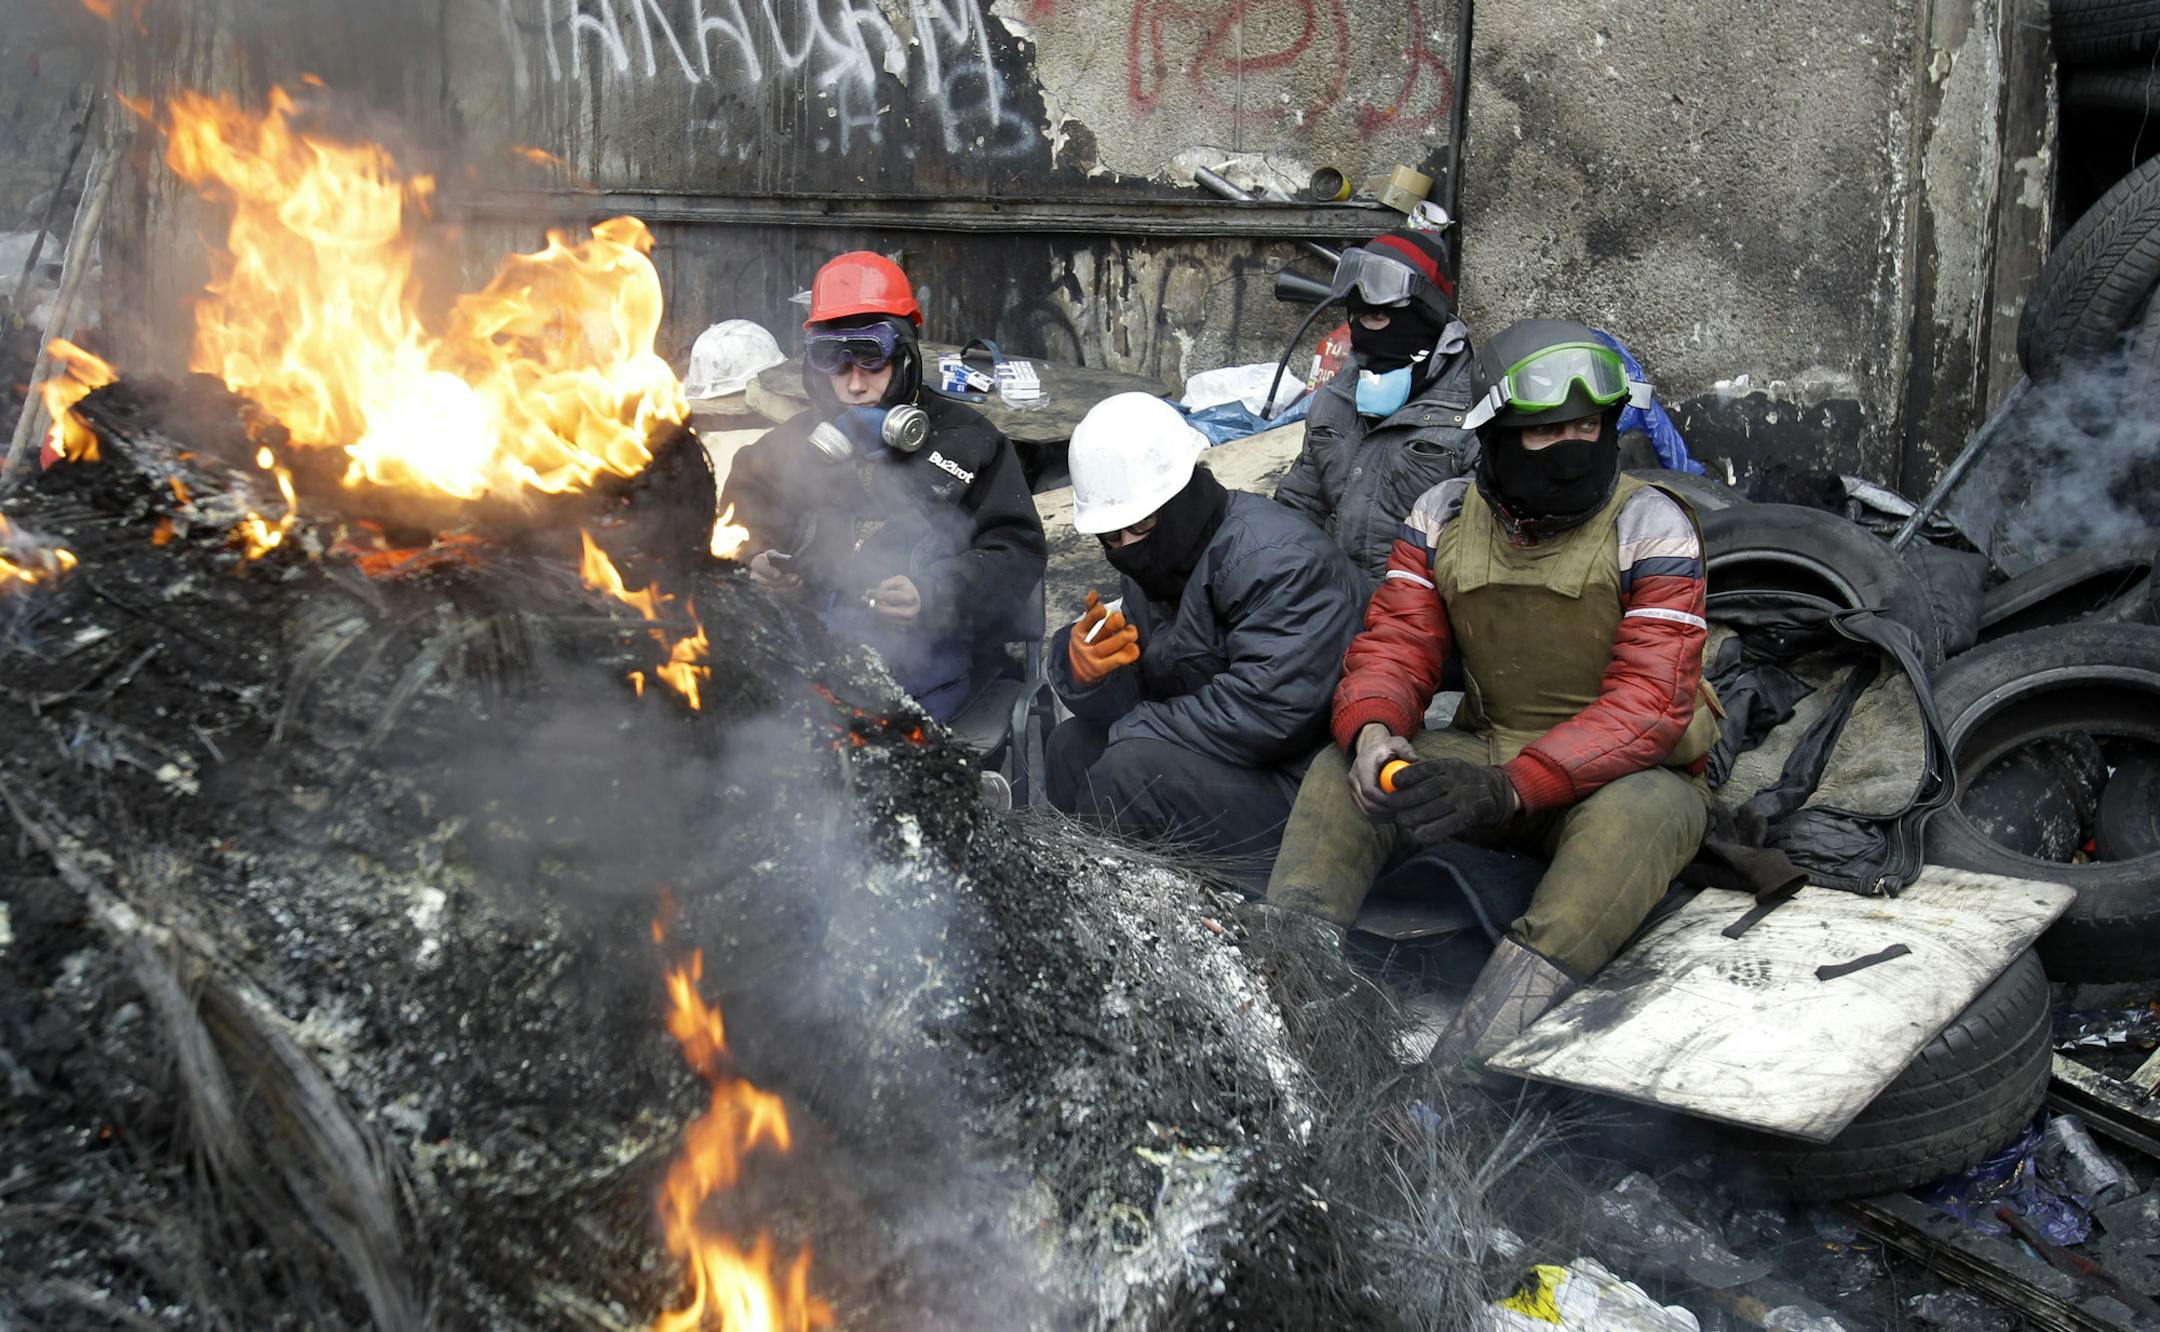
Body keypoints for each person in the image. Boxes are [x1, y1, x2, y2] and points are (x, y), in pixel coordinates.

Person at [1264, 319, 1721, 1072]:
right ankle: (1285, 1006)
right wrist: (1374, 731)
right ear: (1494, 434)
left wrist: (1510, 789)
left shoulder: (1653, 524)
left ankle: (1456, 1079)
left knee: (1634, 825)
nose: (1571, 447)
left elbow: (1649, 705)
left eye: (1588, 427)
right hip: (1488, 747)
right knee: (1340, 774)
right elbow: (1396, 645)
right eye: (1545, 432)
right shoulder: (1441, 514)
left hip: (1629, 775)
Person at [720, 252, 1047, 722]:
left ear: (904, 357)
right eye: (836, 364)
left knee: (871, 751)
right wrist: (755, 559)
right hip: (810, 664)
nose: (854, 385)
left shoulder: (969, 443)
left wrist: (933, 593)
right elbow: (739, 520)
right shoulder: (792, 446)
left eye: (871, 361)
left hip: (925, 676)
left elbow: (1016, 553)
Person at [1045, 393, 1364, 873]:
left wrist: (1128, 729)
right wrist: (1088, 675)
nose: (1126, 547)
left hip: (1305, 785)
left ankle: (1129, 899)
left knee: (1127, 773)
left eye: (1140, 525)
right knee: (1070, 747)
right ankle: (1076, 884)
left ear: (1181, 495)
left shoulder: (1275, 561)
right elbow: (1151, 685)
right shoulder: (1159, 562)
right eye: (1111, 537)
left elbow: (1268, 714)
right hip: (1228, 756)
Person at [1273, 227, 1482, 594]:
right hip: (1331, 601)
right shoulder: (1334, 400)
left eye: (1379, 319)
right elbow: (1299, 505)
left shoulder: (1477, 411)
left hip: (1416, 609)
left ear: (1425, 315)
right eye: (1357, 319)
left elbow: (1478, 549)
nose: (1365, 334)